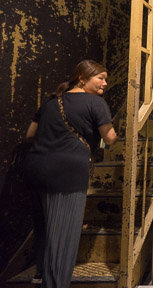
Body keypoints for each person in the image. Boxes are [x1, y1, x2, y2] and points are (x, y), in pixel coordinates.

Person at [23, 60, 118, 288]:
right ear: (82, 78)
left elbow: (30, 134)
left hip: (36, 169)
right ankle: (56, 284)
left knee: (44, 227)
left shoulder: (51, 103)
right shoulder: (96, 103)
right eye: (101, 78)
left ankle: (41, 273)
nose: (105, 83)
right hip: (68, 173)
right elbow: (110, 138)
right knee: (64, 235)